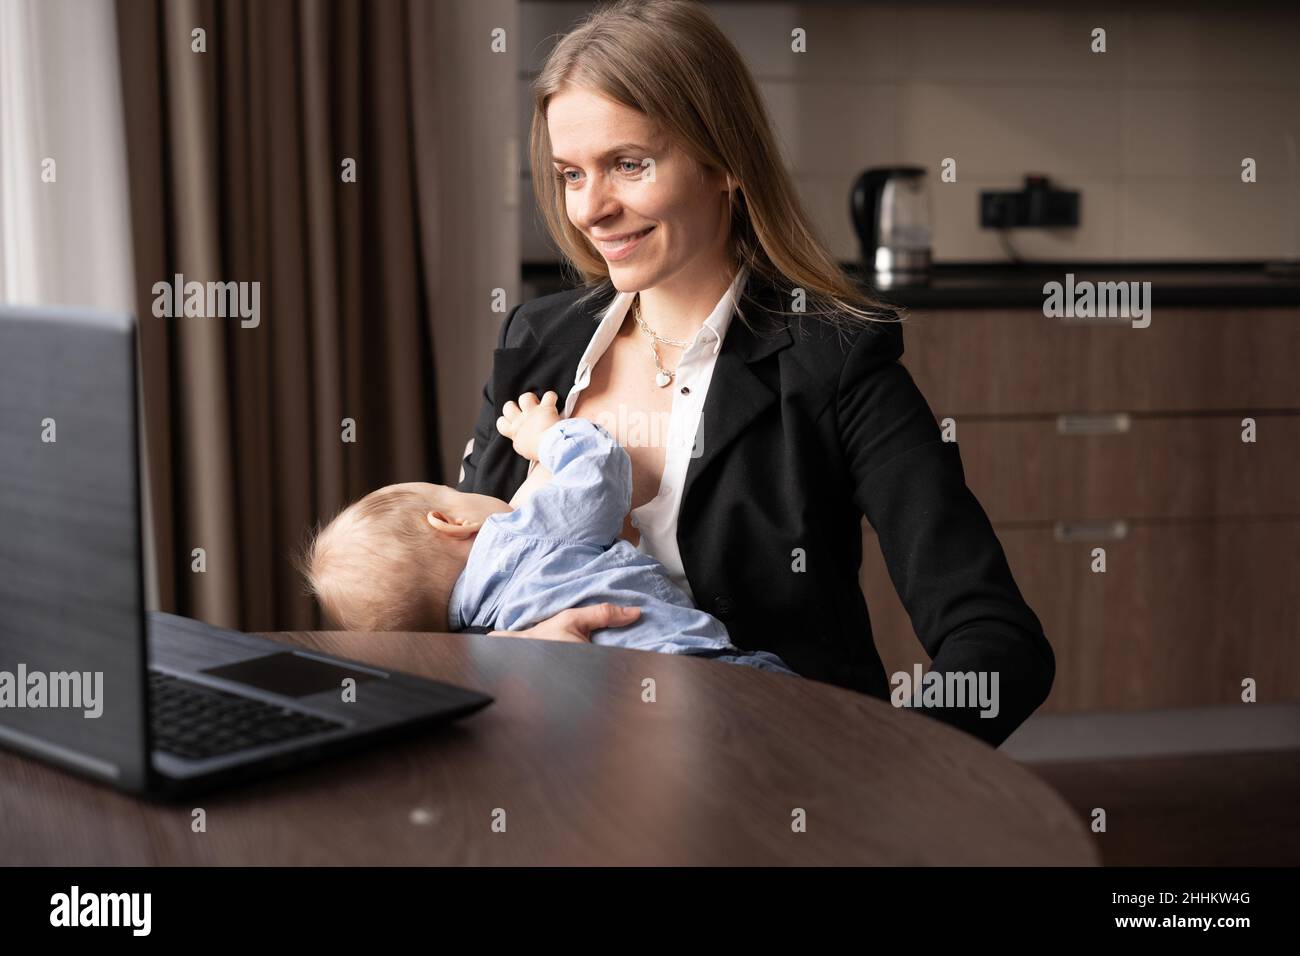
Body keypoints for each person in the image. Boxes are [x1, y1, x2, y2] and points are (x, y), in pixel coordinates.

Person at [456, 0, 1053, 746]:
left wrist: (886, 775)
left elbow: (997, 644)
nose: (592, 209)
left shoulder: (833, 359)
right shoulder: (535, 342)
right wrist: (506, 658)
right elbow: (444, 588)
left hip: (775, 793)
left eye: (628, 164)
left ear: (726, 163)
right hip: (547, 775)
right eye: (570, 174)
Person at [300, 389, 795, 676]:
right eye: (448, 490)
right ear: (452, 523)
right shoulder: (518, 539)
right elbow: (599, 471)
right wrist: (547, 437)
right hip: (695, 661)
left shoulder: (482, 635)